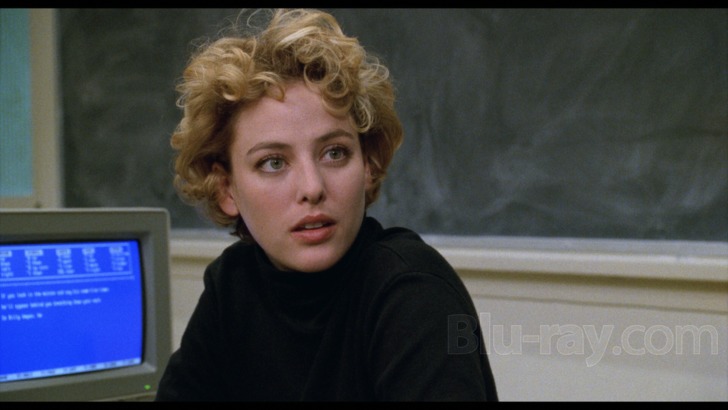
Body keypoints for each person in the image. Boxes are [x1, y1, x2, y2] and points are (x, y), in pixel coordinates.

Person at [156, 8, 498, 401]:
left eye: (334, 153)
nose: (312, 187)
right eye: (273, 162)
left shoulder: (413, 290)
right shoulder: (232, 285)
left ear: (368, 165)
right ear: (226, 189)